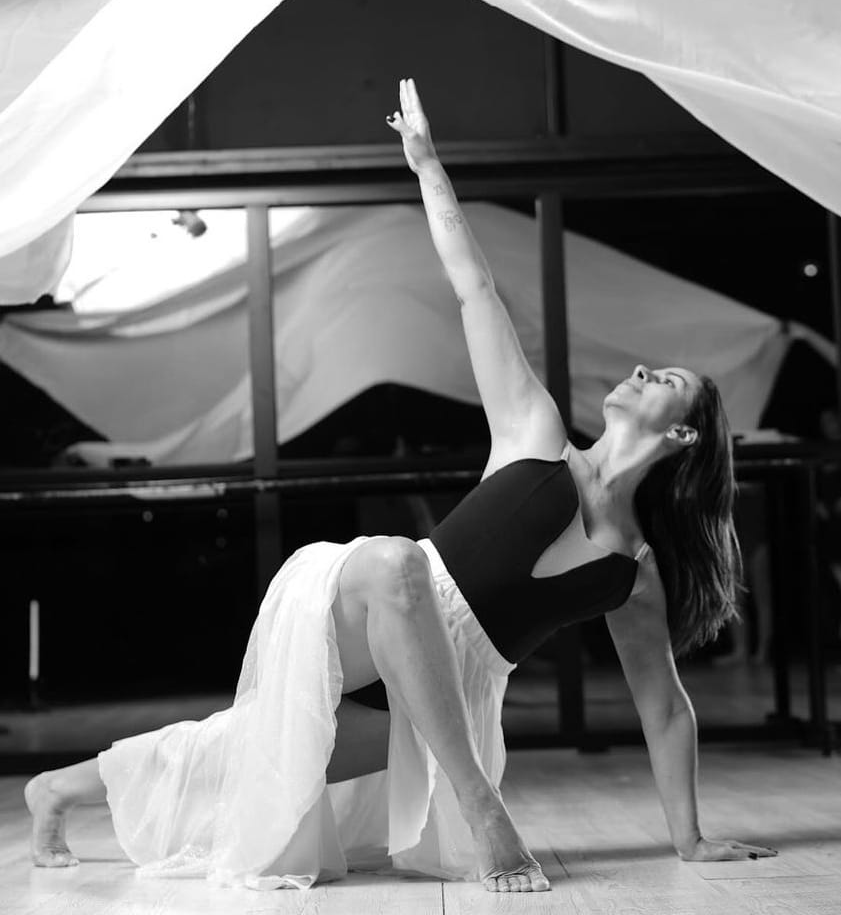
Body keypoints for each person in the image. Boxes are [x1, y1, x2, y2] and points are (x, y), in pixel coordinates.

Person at [24, 78, 776, 895]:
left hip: (445, 696)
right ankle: (484, 812)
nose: (639, 370)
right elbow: (474, 288)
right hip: (366, 602)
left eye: (664, 380)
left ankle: (55, 789)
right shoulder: (534, 431)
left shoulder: (632, 572)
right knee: (397, 560)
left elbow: (662, 706)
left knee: (239, 751)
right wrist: (425, 166)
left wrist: (690, 840)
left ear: (683, 435)